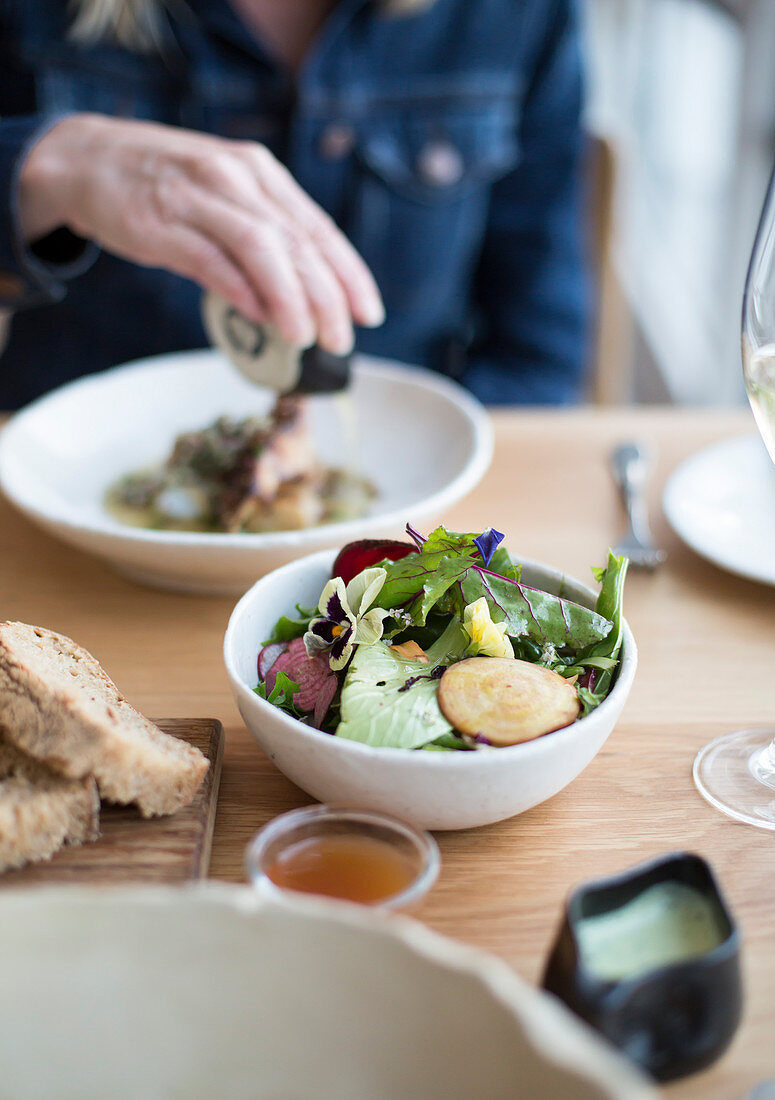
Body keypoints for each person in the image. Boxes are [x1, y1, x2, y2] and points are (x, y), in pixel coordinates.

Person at [0, 0, 590, 409]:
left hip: (393, 510)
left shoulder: (517, 15)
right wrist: (44, 167)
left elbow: (538, 344)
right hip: (61, 497)